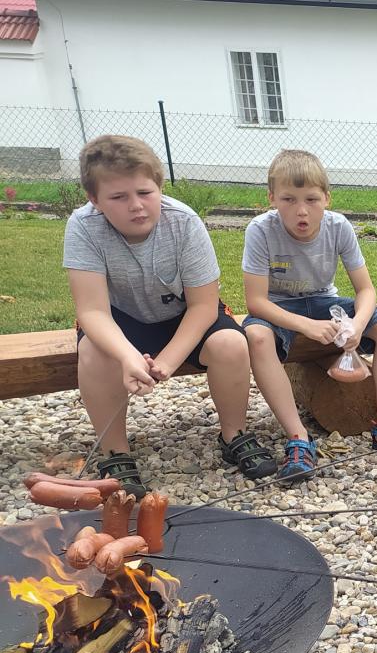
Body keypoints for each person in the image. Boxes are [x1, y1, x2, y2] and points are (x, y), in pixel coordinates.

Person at [65, 134, 275, 496]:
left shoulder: (184, 222)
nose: (136, 206)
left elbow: (203, 306)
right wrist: (128, 357)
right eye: (118, 197)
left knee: (230, 343)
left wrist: (166, 363)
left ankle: (234, 434)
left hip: (183, 314)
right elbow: (92, 311)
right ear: (94, 199)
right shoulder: (84, 226)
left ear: (159, 186)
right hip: (119, 319)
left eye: (145, 192)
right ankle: (115, 452)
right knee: (93, 352)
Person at [241, 150, 377, 479]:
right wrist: (307, 326)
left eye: (311, 199)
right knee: (256, 336)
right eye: (288, 199)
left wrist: (357, 324)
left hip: (323, 300)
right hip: (279, 307)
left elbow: (366, 290)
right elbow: (256, 302)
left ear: (327, 198)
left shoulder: (338, 226)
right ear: (271, 198)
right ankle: (299, 438)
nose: (301, 210)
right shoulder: (260, 230)